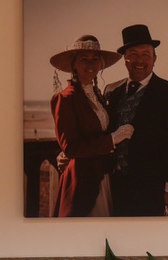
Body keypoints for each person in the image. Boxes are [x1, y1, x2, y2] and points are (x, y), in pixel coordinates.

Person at [106, 24, 168, 216]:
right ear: (125, 59)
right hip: (113, 185)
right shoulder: (112, 91)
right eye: (133, 54)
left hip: (151, 187)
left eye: (146, 54)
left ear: (154, 59)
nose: (140, 60)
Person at [48, 35, 133, 217]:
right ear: (74, 65)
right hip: (82, 182)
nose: (90, 64)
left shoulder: (98, 95)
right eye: (84, 59)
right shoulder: (65, 99)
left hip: (103, 177)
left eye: (95, 59)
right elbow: (71, 147)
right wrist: (112, 140)